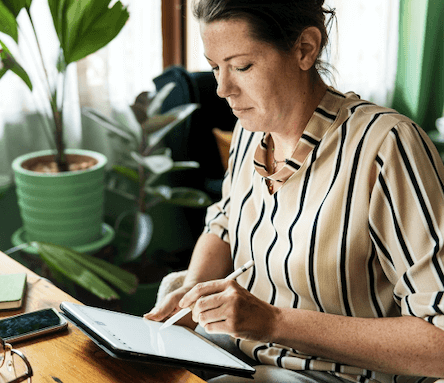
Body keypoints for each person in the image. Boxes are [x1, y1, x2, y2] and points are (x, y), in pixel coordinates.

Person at [145, 1, 444, 382]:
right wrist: (190, 294)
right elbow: (225, 223)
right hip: (238, 356)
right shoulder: (249, 130)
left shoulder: (386, 146)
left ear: (305, 48)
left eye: (241, 66)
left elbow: (439, 342)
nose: (222, 89)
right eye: (214, 67)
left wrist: (272, 322)